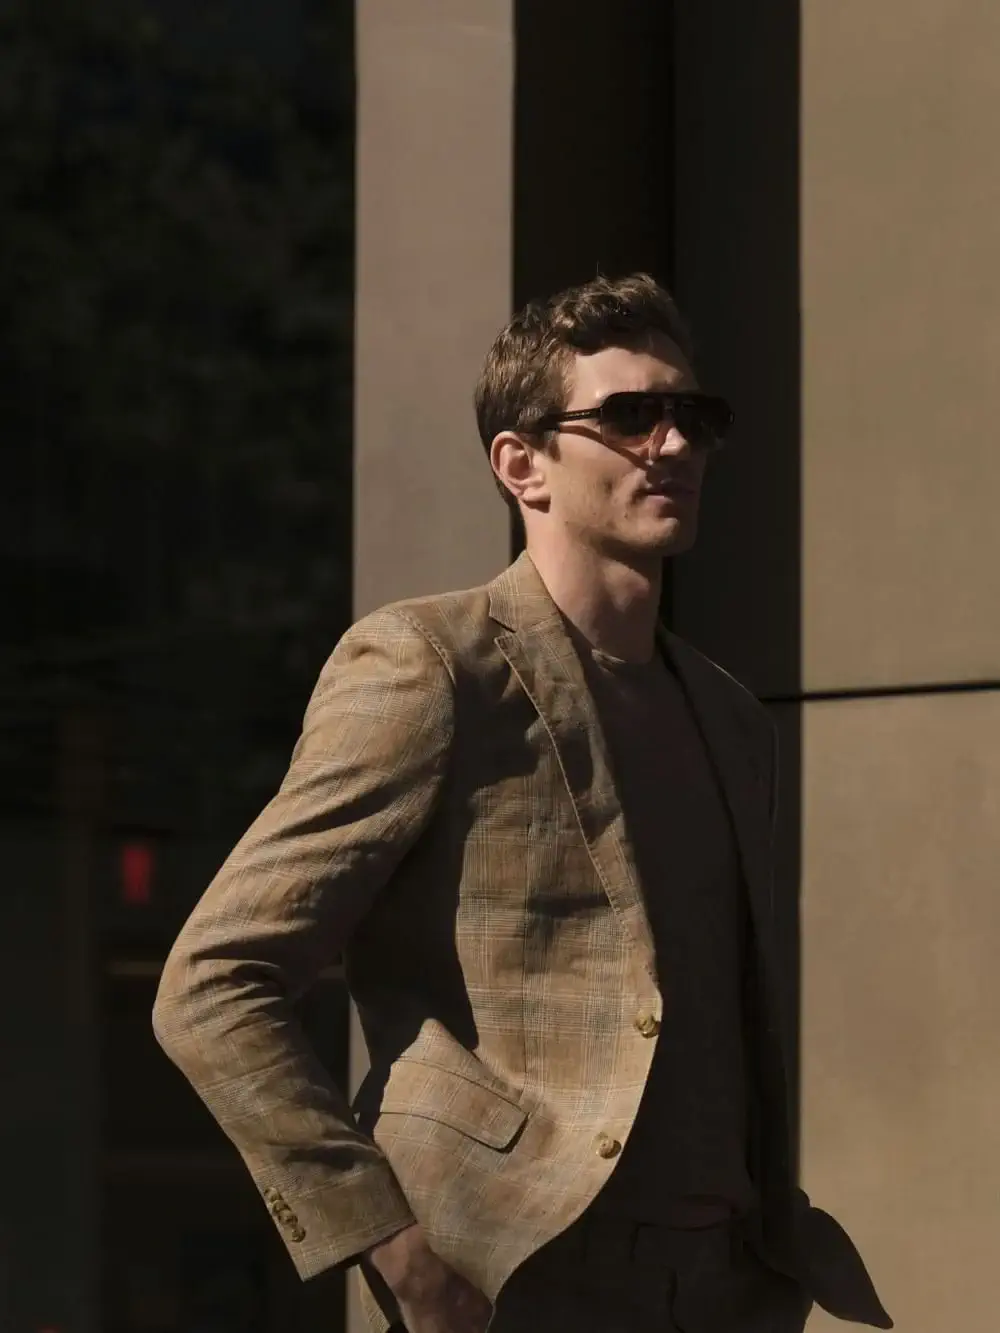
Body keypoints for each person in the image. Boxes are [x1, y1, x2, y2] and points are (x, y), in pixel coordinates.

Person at [153, 273, 891, 1333]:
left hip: (729, 1283)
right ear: (521, 464)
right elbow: (213, 982)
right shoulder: (429, 667)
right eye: (631, 416)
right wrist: (391, 1248)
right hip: (512, 1278)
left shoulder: (732, 719)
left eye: (695, 417)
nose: (673, 445)